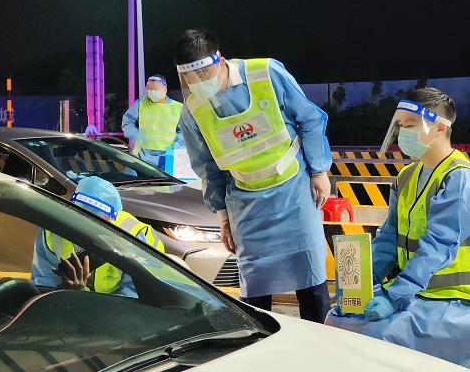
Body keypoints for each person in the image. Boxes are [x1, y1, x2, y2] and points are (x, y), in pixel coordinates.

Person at [173, 29, 332, 323]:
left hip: (294, 194)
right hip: (246, 207)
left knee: (311, 284)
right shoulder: (192, 111)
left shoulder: (266, 73)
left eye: (204, 74)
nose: (199, 84)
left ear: (221, 62)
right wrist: (223, 218)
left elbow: (309, 119)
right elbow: (207, 169)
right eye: (190, 79)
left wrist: (319, 170)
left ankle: (320, 343)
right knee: (255, 294)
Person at [327, 88, 470, 368]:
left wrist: (394, 297)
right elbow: (389, 237)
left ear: (439, 128)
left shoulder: (459, 178)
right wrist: (359, 285)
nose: (404, 132)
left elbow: (440, 244)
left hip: (451, 299)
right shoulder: (406, 176)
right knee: (338, 320)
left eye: (411, 125)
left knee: (374, 337)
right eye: (401, 125)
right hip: (414, 292)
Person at [31, 176, 164, 296]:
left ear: (111, 218)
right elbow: (44, 282)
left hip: (116, 307)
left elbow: (138, 293)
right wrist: (67, 293)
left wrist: (95, 305)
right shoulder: (53, 232)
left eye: (96, 221)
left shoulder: (134, 235)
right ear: (74, 208)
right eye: (82, 216)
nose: (87, 226)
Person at [121, 75, 185, 170]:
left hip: (167, 156)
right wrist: (136, 134)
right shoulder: (140, 104)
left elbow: (184, 131)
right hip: (141, 155)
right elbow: (127, 122)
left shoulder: (178, 107)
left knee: (165, 180)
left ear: (165, 90)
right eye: (150, 88)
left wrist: (178, 144)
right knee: (132, 178)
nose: (152, 91)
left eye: (155, 88)